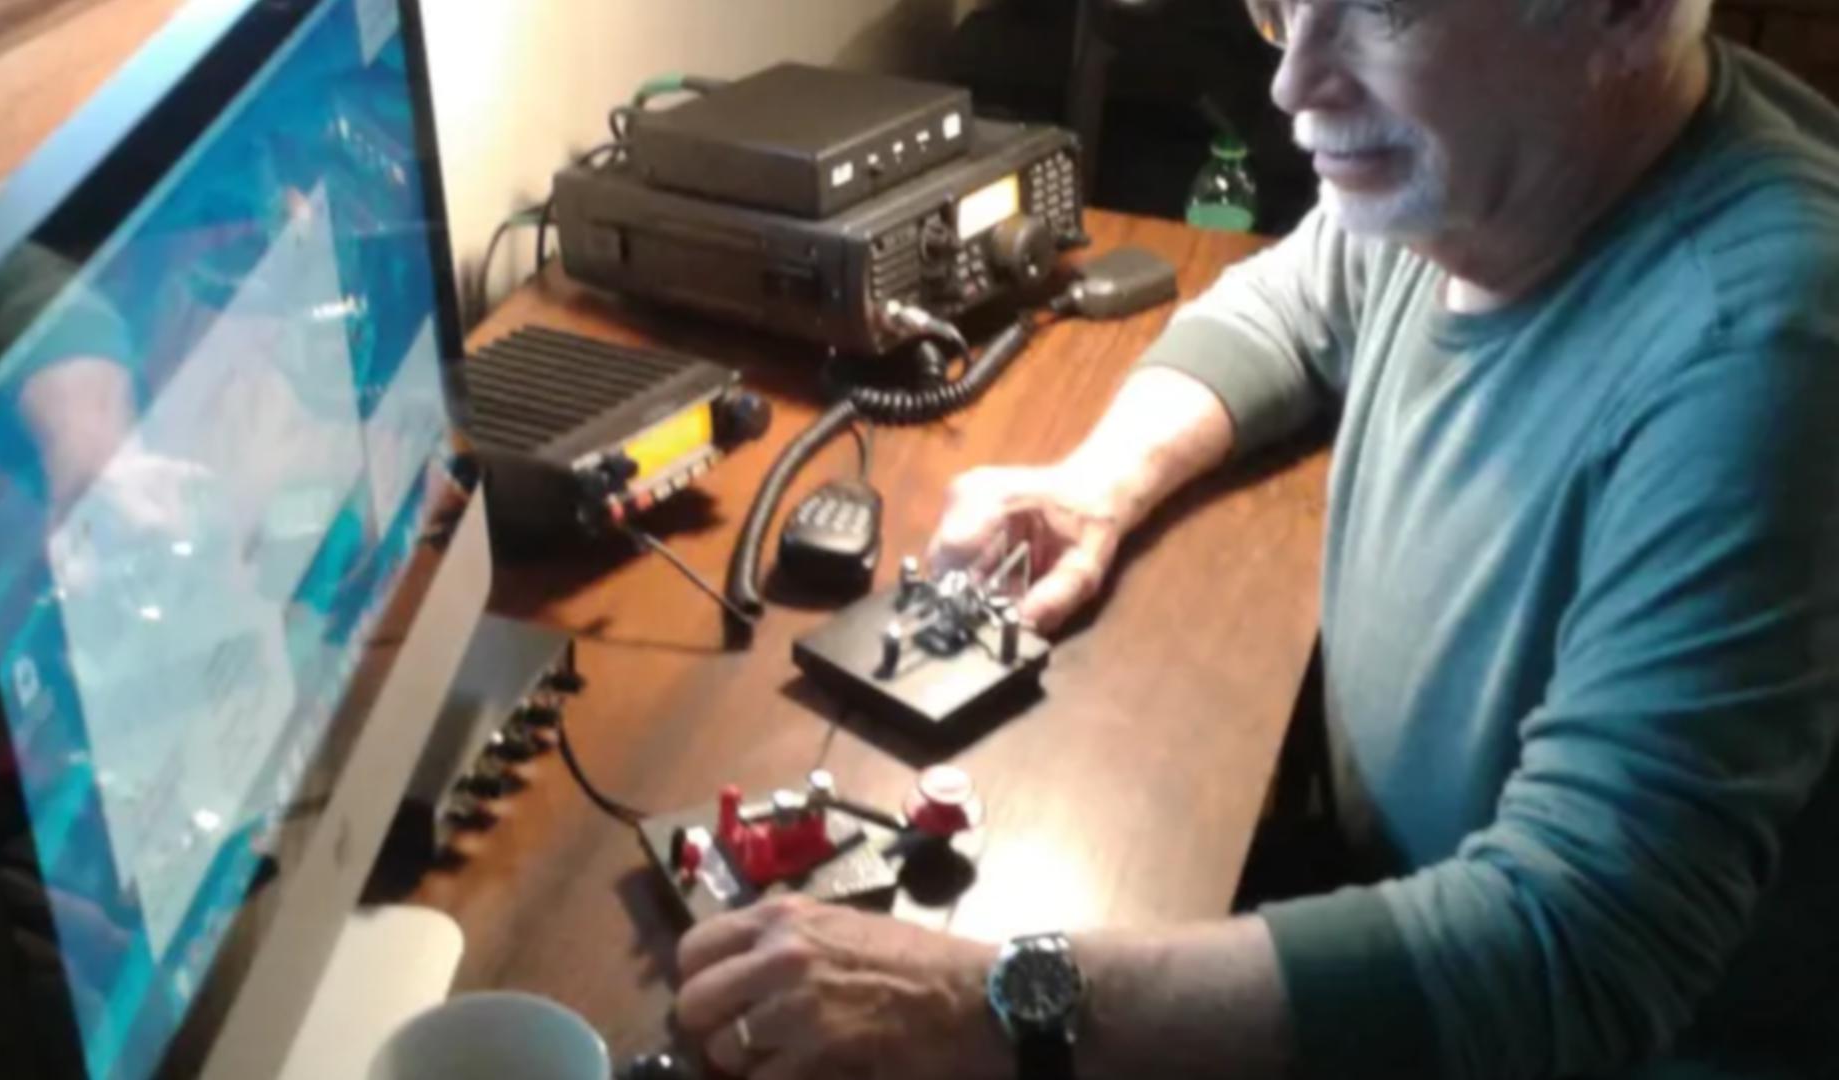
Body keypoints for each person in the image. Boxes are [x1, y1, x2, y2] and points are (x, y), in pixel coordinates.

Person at [672, 0, 1839, 1076]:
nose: (1292, 81)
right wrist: (1097, 485)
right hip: (1390, 902)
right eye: (1282, 2)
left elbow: (1572, 952)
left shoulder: (1757, 350)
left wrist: (979, 1001)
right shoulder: (1481, 169)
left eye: (1384, 11)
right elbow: (1294, 299)